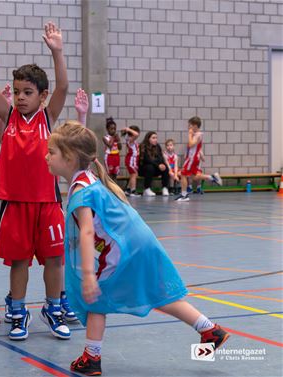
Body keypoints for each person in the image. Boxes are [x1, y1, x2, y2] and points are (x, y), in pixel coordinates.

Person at [45, 121, 230, 376]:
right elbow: (82, 146)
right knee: (156, 292)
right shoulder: (89, 175)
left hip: (123, 249)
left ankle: (91, 358)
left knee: (96, 300)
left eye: (51, 152)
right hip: (140, 240)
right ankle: (210, 330)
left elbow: (87, 232)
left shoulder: (80, 190)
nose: (46, 156)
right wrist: (81, 115)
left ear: (68, 158)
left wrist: (88, 275)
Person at [0, 22, 71, 341]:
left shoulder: (47, 117)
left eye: (27, 92)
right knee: (19, 262)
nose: (20, 98)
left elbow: (63, 88)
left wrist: (57, 51)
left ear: (42, 96)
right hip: (15, 204)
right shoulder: (11, 118)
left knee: (54, 259)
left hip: (47, 202)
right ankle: (17, 311)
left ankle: (54, 307)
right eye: (16, 92)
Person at [175, 116, 222, 201]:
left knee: (183, 174)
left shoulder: (197, 135)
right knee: (193, 177)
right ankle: (211, 177)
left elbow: (191, 144)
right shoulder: (197, 135)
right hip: (193, 158)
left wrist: (189, 134)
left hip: (192, 158)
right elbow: (198, 147)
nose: (189, 127)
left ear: (195, 126)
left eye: (190, 125)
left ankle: (184, 195)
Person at [139, 131, 170, 196]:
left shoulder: (157, 146)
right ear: (148, 139)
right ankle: (146, 189)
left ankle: (164, 188)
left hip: (155, 168)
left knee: (165, 168)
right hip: (144, 169)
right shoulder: (142, 146)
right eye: (153, 138)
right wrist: (158, 165)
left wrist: (162, 164)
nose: (155, 139)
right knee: (150, 167)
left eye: (156, 138)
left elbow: (160, 157)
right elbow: (147, 159)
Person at [121, 125, 140, 197]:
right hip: (131, 160)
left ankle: (128, 190)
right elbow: (136, 134)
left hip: (133, 160)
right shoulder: (130, 139)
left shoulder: (132, 139)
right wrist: (127, 129)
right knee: (134, 174)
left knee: (133, 175)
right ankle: (133, 190)